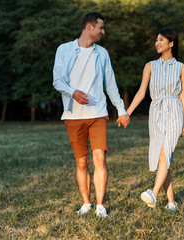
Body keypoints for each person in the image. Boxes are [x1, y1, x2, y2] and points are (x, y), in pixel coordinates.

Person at [53, 12, 130, 218]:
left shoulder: (102, 53)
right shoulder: (64, 50)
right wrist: (73, 92)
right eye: (100, 28)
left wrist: (121, 110)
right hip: (73, 115)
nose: (103, 32)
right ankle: (86, 203)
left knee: (99, 159)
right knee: (82, 162)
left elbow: (111, 84)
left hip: (97, 113)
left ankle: (101, 205)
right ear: (89, 27)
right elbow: (57, 81)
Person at [126, 28, 184, 212]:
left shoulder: (182, 68)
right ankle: (171, 202)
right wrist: (126, 112)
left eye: (161, 40)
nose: (157, 43)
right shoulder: (149, 66)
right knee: (163, 156)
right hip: (156, 113)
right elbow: (141, 92)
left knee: (165, 153)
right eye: (156, 40)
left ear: (171, 43)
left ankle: (153, 193)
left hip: (175, 111)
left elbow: (183, 95)